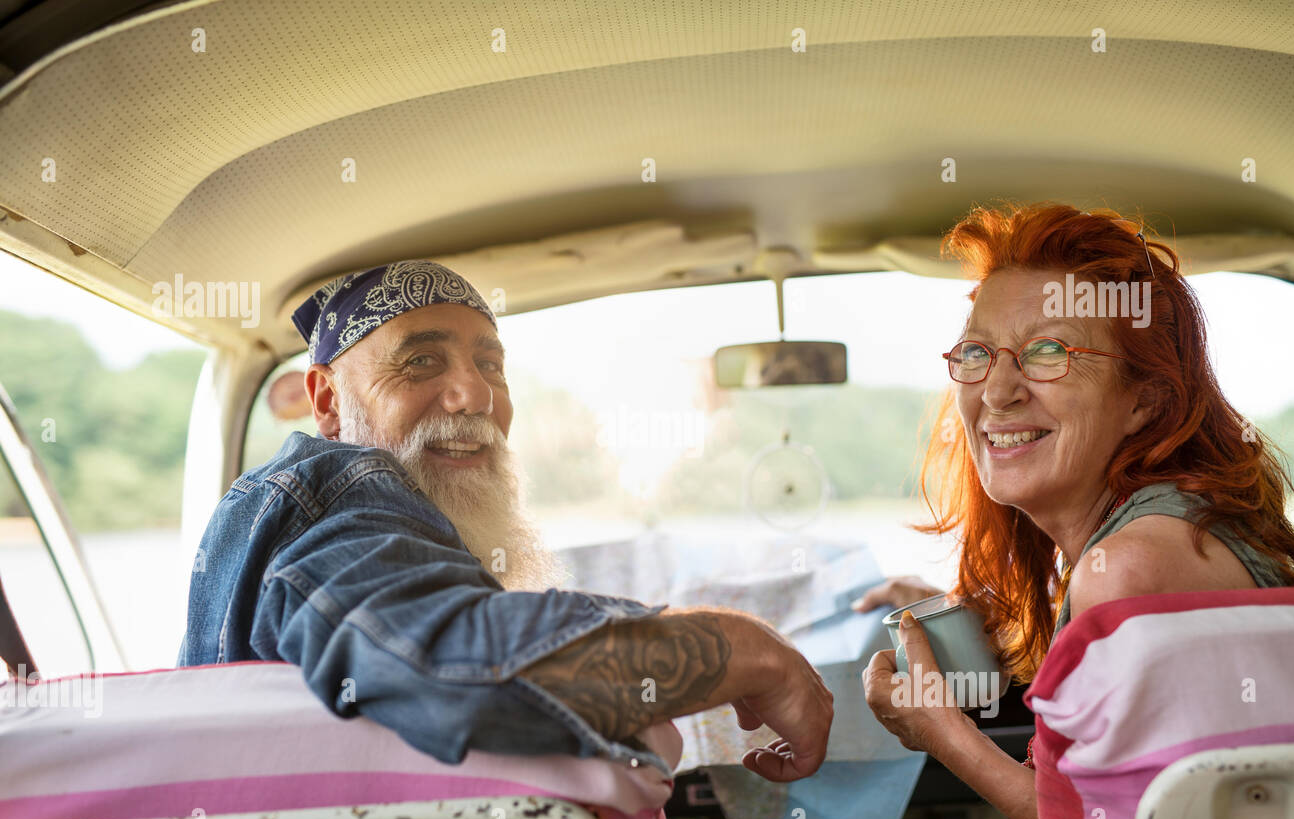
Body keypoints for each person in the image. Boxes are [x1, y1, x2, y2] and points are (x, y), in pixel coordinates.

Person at [180, 259, 831, 784]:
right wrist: (748, 651)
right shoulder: (335, 498)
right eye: (422, 362)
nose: (476, 394)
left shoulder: (372, 528)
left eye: (490, 365)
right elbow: (459, 674)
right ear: (326, 399)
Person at [856, 203, 1294, 819]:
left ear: (1145, 399)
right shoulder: (1175, 530)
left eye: (1048, 352)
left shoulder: (1123, 570)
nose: (998, 390)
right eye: (978, 352)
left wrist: (942, 731)